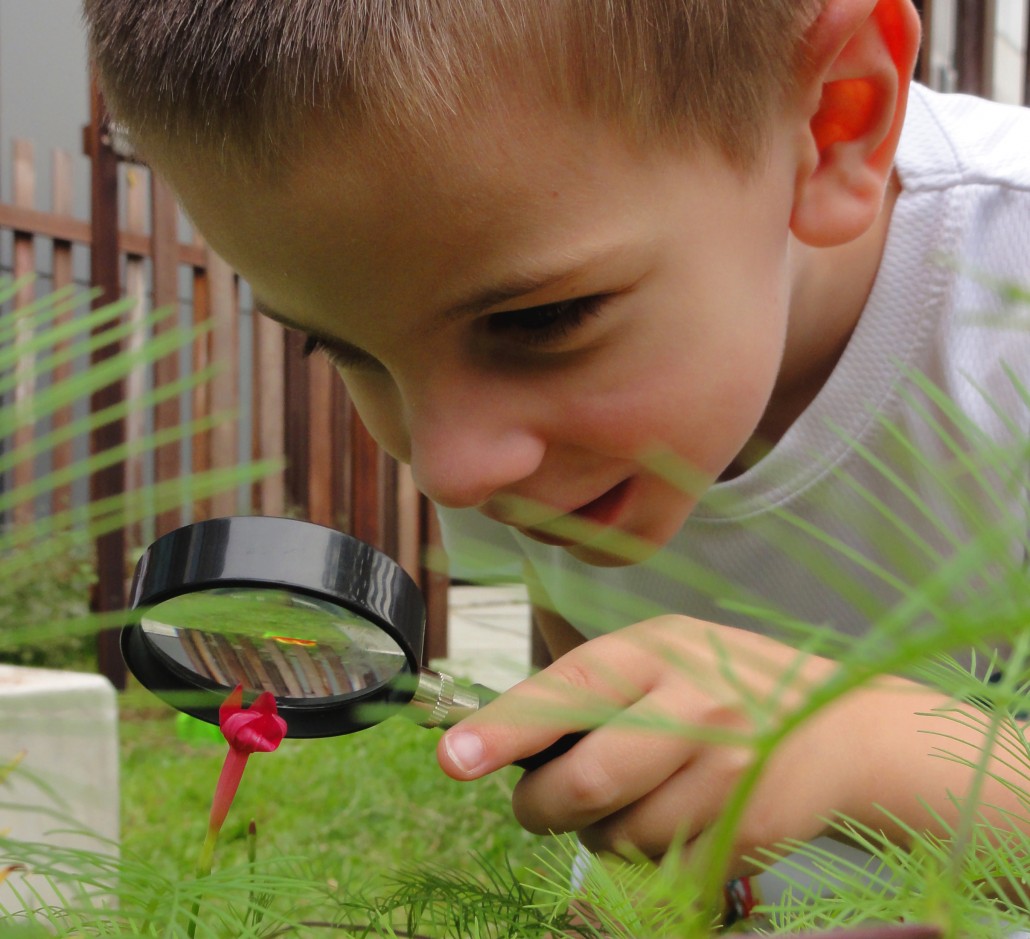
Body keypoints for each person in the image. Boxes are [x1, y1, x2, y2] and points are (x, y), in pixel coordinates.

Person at [84, 0, 1030, 905]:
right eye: (342, 348)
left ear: (834, 118)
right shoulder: (485, 402)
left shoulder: (1006, 297)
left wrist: (865, 750)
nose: (449, 468)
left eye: (541, 320)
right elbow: (592, 645)